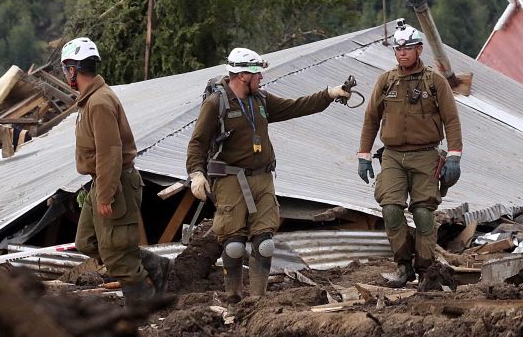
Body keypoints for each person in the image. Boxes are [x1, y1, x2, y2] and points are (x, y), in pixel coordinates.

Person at [186, 47, 351, 302]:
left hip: (263, 178)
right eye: (257, 74)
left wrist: (329, 94)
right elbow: (197, 142)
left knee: (265, 243)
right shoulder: (216, 104)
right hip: (231, 180)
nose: (261, 78)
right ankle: (233, 299)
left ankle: (258, 301)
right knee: (233, 244)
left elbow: (296, 106)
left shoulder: (260, 100)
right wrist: (196, 173)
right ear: (242, 75)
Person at [61, 36, 170, 305]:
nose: (65, 75)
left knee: (117, 254)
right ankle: (155, 266)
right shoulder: (91, 100)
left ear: (74, 70)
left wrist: (106, 195)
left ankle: (142, 311)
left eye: (66, 69)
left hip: (114, 183)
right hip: (102, 181)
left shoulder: (98, 102)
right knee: (87, 241)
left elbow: (110, 152)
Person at [356, 20, 463, 289]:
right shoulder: (386, 81)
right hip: (392, 155)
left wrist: (454, 156)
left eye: (407, 48)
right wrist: (363, 155)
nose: (402, 53)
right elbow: (371, 118)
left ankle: (426, 269)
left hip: (425, 154)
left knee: (424, 214)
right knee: (391, 209)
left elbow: (451, 120)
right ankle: (403, 265)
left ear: (419, 50)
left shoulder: (435, 82)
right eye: (398, 49)